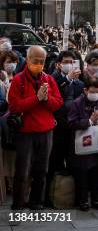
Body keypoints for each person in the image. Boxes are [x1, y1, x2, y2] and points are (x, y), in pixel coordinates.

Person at [8, 46, 63, 210]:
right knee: (23, 172)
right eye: (35, 61)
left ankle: (36, 202)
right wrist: (36, 98)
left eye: (42, 61)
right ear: (28, 59)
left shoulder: (48, 79)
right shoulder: (18, 80)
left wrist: (45, 99)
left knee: (42, 170)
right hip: (26, 133)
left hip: (46, 132)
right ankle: (18, 204)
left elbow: (58, 103)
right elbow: (14, 106)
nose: (39, 64)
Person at [67, 77, 98, 211]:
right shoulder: (77, 103)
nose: (96, 94)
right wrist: (89, 122)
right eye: (93, 92)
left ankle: (97, 200)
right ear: (85, 90)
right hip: (83, 144)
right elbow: (71, 123)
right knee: (82, 174)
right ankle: (83, 201)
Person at [47, 50, 84, 207]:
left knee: (75, 162)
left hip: (74, 128)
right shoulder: (53, 79)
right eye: (66, 62)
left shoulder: (80, 83)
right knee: (54, 161)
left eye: (72, 62)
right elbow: (54, 97)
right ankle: (49, 196)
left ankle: (75, 197)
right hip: (58, 127)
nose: (69, 64)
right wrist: (67, 79)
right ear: (58, 64)